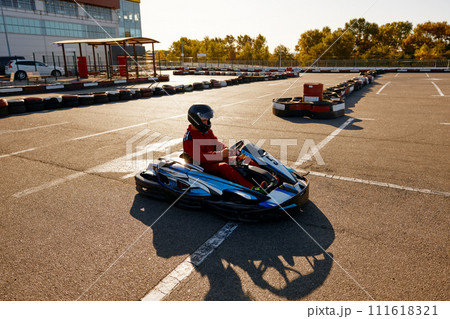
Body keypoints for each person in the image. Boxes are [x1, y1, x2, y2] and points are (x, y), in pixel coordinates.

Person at [183, 104, 266, 192]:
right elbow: (199, 157)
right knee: (224, 167)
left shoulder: (207, 132)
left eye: (207, 120)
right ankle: (252, 189)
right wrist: (221, 154)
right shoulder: (189, 138)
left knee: (243, 158)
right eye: (204, 120)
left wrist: (228, 151)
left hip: (215, 158)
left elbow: (217, 144)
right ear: (195, 120)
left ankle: (267, 178)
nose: (206, 123)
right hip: (202, 165)